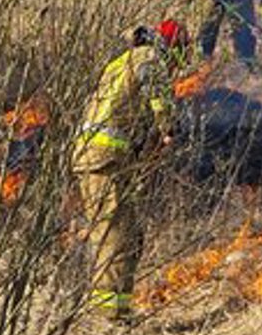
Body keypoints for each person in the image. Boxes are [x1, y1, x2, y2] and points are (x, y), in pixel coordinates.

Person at [71, 19, 188, 323]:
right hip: (102, 157)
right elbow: (158, 95)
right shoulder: (150, 58)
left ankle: (120, 309)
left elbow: (120, 108)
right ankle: (108, 317)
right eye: (179, 60)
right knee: (115, 237)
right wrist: (169, 126)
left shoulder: (124, 60)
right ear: (172, 49)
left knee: (131, 235)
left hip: (103, 156)